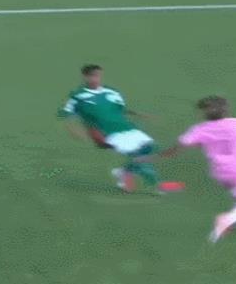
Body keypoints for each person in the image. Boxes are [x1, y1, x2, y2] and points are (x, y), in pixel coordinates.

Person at [137, 96, 236, 242]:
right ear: (226, 110)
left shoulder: (199, 130)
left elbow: (175, 151)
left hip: (221, 172)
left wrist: (150, 158)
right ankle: (228, 219)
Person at [58, 65, 161, 193]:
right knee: (139, 156)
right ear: (85, 77)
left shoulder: (112, 92)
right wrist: (73, 131)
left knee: (151, 148)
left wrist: (139, 114)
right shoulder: (77, 96)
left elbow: (121, 109)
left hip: (127, 127)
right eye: (92, 76)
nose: (96, 79)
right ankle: (156, 186)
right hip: (108, 133)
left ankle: (123, 172)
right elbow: (66, 115)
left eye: (98, 75)